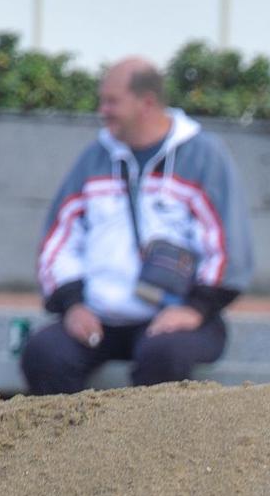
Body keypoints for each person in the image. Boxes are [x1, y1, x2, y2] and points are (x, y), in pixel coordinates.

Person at [24, 56, 253, 393]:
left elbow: (227, 244)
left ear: (146, 103)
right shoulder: (94, 158)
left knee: (163, 355)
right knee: (44, 353)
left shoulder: (204, 156)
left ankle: (151, 448)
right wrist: (73, 305)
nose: (103, 110)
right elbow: (60, 239)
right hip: (100, 318)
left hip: (180, 316)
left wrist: (195, 309)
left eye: (112, 101)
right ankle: (70, 446)